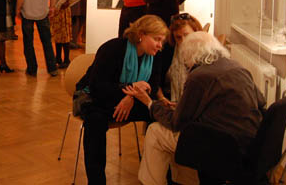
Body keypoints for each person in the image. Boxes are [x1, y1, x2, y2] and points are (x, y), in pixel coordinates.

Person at [124, 31, 266, 185]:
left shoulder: (199, 76)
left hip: (222, 147)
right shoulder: (236, 66)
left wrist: (149, 102)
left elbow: (176, 123)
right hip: (251, 143)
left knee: (155, 131)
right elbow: (261, 101)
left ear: (190, 54)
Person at [77, 15, 168, 184]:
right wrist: (132, 88)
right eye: (156, 39)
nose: (159, 45)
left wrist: (130, 96)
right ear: (141, 34)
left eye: (162, 41)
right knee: (95, 121)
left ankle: (160, 176)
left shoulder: (155, 56)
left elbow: (152, 87)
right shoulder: (113, 49)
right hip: (100, 98)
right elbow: (98, 86)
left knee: (160, 115)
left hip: (132, 99)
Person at [155, 13, 203, 108]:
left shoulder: (203, 51)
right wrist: (162, 99)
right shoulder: (166, 50)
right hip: (169, 102)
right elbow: (156, 81)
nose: (183, 41)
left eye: (186, 35)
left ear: (196, 32)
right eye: (178, 37)